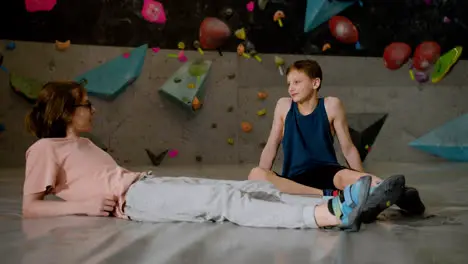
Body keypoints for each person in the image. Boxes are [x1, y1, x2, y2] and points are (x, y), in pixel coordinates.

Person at [21, 81, 397, 232]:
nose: (93, 110)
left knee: (246, 189)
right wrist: (85, 208)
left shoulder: (83, 145)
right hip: (131, 200)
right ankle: (331, 215)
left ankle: (342, 200)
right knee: (224, 201)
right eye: (87, 105)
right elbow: (31, 207)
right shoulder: (44, 149)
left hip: (145, 184)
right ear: (69, 111)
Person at [248, 60, 426, 223]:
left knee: (349, 177)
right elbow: (272, 144)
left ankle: (396, 194)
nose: (291, 88)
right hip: (295, 180)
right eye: (289, 84)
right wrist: (260, 183)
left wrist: (360, 181)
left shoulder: (331, 105)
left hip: (328, 172)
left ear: (315, 83)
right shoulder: (284, 106)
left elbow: (348, 148)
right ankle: (331, 195)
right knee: (256, 174)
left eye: (297, 82)